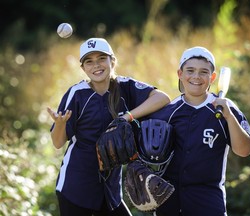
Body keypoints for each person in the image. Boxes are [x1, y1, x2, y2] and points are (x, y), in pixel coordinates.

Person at [47, 37, 170, 216]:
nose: (96, 66)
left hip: (110, 190)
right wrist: (60, 125)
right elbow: (58, 143)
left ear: (112, 61)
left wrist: (127, 117)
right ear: (83, 68)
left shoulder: (125, 87)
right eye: (89, 62)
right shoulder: (77, 94)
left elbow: (162, 98)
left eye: (101, 59)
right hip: (77, 186)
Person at [147, 46, 250, 216]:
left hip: (208, 201)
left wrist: (229, 118)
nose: (196, 76)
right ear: (180, 74)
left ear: (212, 77)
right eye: (190, 70)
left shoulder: (224, 108)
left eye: (203, 72)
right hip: (169, 200)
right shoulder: (168, 112)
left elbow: (244, 150)